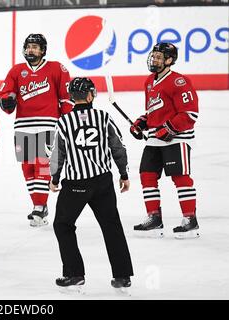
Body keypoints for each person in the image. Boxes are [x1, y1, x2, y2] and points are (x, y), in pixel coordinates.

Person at [50, 77, 133, 293]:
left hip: (76, 184)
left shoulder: (64, 122)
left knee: (63, 225)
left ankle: (74, 274)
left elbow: (57, 155)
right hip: (103, 182)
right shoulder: (104, 117)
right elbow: (118, 148)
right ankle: (122, 275)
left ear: (71, 97)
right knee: (111, 225)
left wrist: (55, 178)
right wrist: (123, 174)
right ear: (90, 95)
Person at [0, 33, 73, 227]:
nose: (30, 50)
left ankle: (39, 207)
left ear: (43, 50)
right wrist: (6, 100)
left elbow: (66, 97)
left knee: (41, 164)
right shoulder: (16, 71)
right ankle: (39, 205)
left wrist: (68, 120)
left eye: (35, 47)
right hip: (23, 124)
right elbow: (6, 99)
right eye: (28, 46)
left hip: (48, 123)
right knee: (28, 168)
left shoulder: (56, 68)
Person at [131, 42, 199, 239]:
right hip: (154, 140)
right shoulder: (149, 82)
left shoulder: (179, 82)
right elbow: (154, 112)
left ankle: (190, 219)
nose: (155, 59)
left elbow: (190, 114)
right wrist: (142, 123)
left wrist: (168, 128)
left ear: (170, 60)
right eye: (154, 55)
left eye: (160, 57)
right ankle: (154, 218)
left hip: (177, 139)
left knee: (181, 178)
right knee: (147, 175)